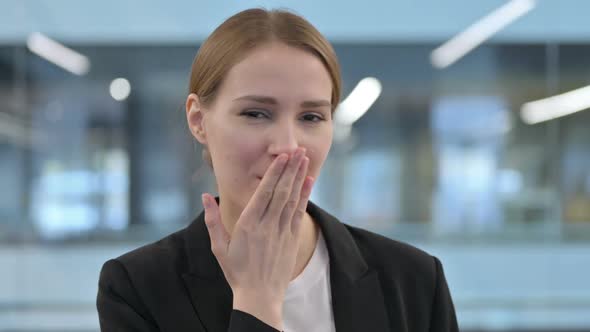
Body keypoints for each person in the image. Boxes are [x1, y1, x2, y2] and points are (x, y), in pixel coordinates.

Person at [96, 8, 459, 332]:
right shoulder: (137, 288)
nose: (288, 145)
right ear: (198, 120)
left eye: (311, 117)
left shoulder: (414, 280)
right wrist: (257, 301)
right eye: (256, 113)